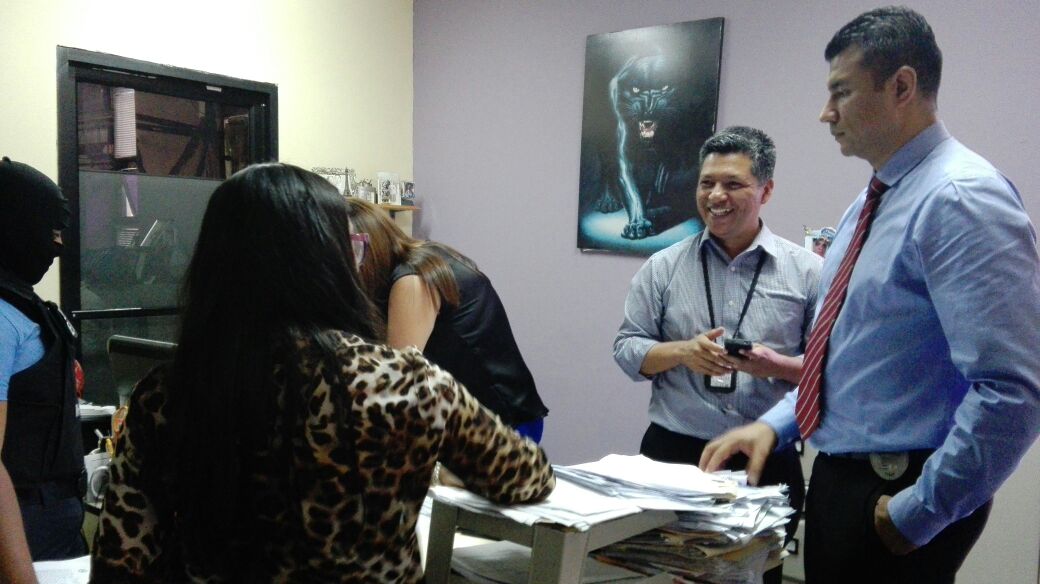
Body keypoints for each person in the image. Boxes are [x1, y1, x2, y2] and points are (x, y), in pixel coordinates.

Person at [701, 7, 1040, 583]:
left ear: (901, 87)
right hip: (844, 477)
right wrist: (777, 424)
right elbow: (853, 361)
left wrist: (916, 514)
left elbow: (1013, 389)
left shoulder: (960, 199)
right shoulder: (873, 201)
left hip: (895, 490)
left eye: (841, 92)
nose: (826, 112)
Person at [90, 163, 555, 582]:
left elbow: (122, 557)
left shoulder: (167, 395)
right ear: (335, 262)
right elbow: (527, 476)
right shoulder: (403, 383)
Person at [613, 127, 822, 584]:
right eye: (706, 183)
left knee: (757, 577)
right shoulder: (663, 267)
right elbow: (627, 349)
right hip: (673, 454)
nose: (715, 196)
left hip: (764, 459)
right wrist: (682, 352)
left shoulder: (808, 272)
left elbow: (831, 370)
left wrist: (775, 365)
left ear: (766, 190)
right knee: (662, 576)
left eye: (733, 183)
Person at [345, 198, 549, 442]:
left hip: (500, 423)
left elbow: (394, 382)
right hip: (475, 417)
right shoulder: (416, 261)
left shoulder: (413, 280)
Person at [0, 157, 86, 582]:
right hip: (24, 532)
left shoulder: (25, 308)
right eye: (51, 230)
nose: (58, 245)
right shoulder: (2, 317)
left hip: (54, 527)